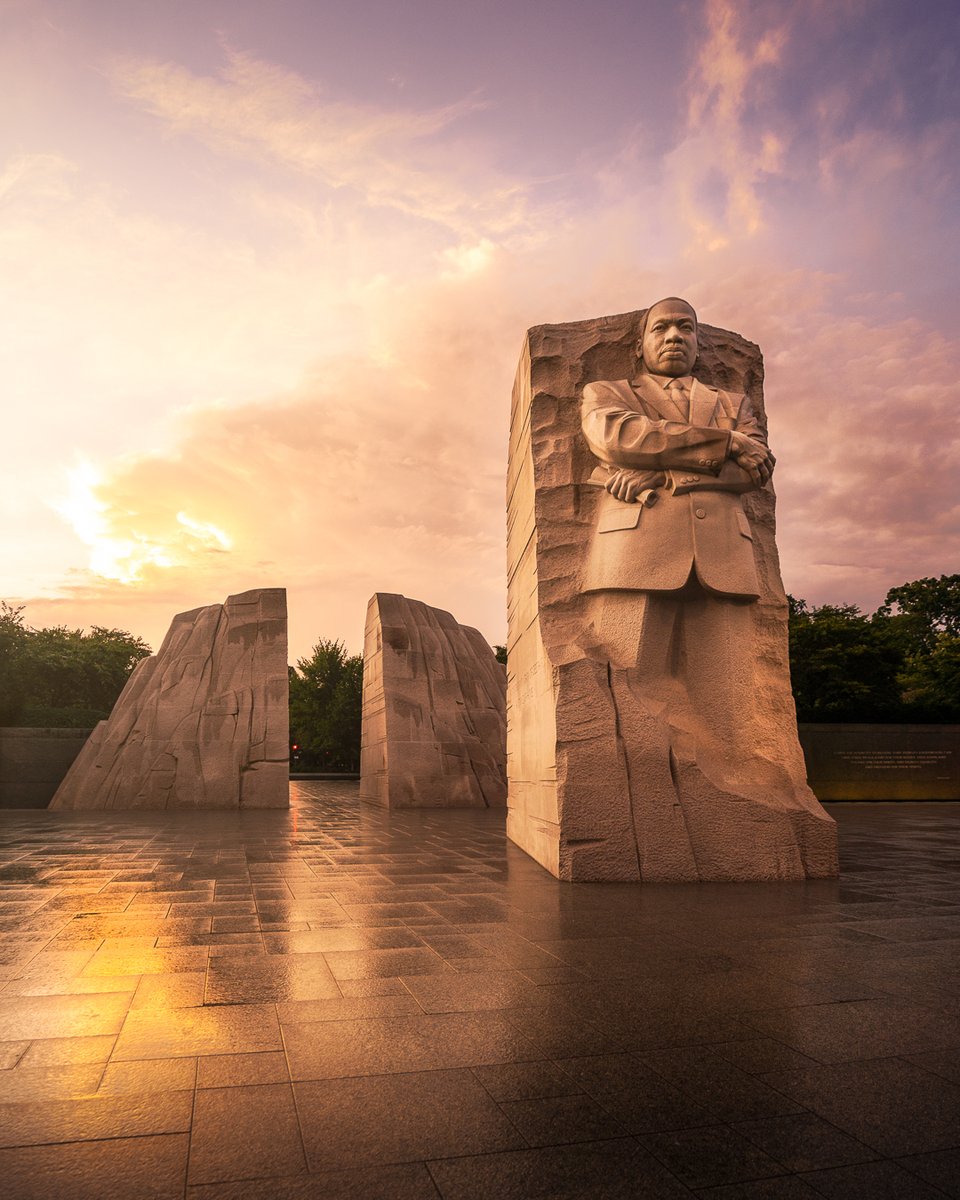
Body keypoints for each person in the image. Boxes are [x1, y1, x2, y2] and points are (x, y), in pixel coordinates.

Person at [579, 296, 785, 818]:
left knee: (732, 709)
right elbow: (617, 437)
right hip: (634, 552)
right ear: (641, 343)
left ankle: (737, 808)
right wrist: (724, 442)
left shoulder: (736, 402)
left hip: (725, 557)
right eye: (662, 327)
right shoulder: (607, 393)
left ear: (698, 341)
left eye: (685, 327)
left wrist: (666, 474)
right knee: (624, 689)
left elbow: (754, 473)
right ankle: (630, 810)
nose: (674, 336)